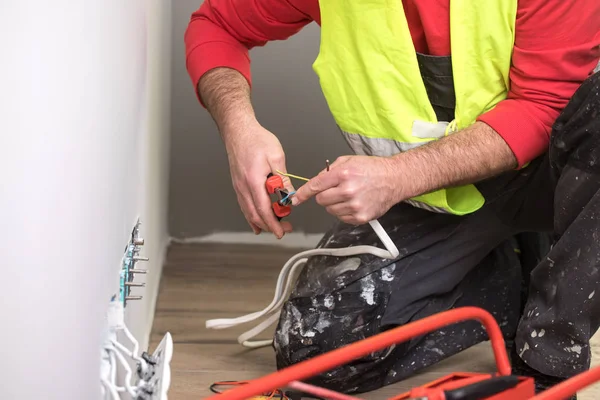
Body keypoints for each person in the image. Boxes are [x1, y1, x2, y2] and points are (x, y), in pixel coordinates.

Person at [184, 0, 600, 397]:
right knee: (316, 351)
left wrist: (397, 175)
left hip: (559, 181)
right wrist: (240, 129)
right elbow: (216, 25)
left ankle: (548, 355)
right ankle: (507, 271)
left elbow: (544, 105)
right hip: (435, 196)